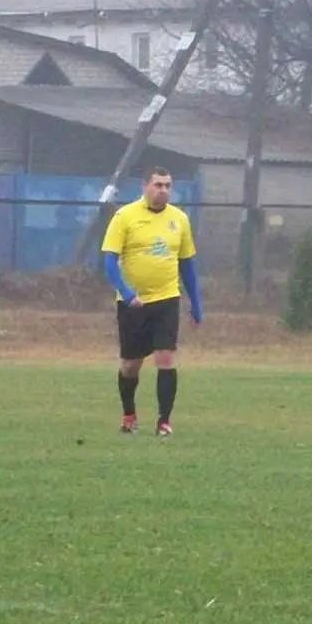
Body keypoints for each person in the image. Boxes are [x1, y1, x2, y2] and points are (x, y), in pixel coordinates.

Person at [100, 167, 203, 437]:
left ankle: (164, 422)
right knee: (130, 365)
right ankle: (129, 415)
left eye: (168, 185)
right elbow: (109, 261)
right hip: (133, 303)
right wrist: (127, 293)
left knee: (166, 358)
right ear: (145, 186)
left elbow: (187, 265)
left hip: (167, 298)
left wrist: (196, 304)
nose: (163, 190)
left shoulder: (179, 219)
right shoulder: (125, 216)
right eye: (158, 185)